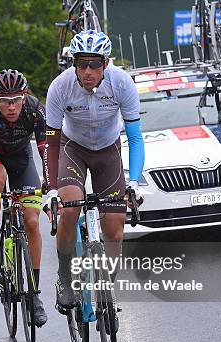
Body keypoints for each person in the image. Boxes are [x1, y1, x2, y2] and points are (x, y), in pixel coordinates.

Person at [43, 30, 145, 311]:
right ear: (73, 63)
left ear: (106, 63)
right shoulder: (60, 87)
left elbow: (135, 138)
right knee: (70, 208)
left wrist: (134, 182)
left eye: (95, 64)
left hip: (108, 151)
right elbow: (50, 144)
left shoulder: (122, 84)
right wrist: (51, 189)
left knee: (114, 230)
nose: (88, 71)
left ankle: (105, 289)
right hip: (71, 148)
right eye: (81, 63)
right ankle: (65, 274)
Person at [0, 69, 48, 327]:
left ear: (24, 96)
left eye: (16, 100)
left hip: (22, 158)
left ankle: (35, 294)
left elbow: (45, 150)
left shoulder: (35, 109)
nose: (12, 106)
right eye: (6, 101)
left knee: (33, 223)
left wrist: (50, 183)